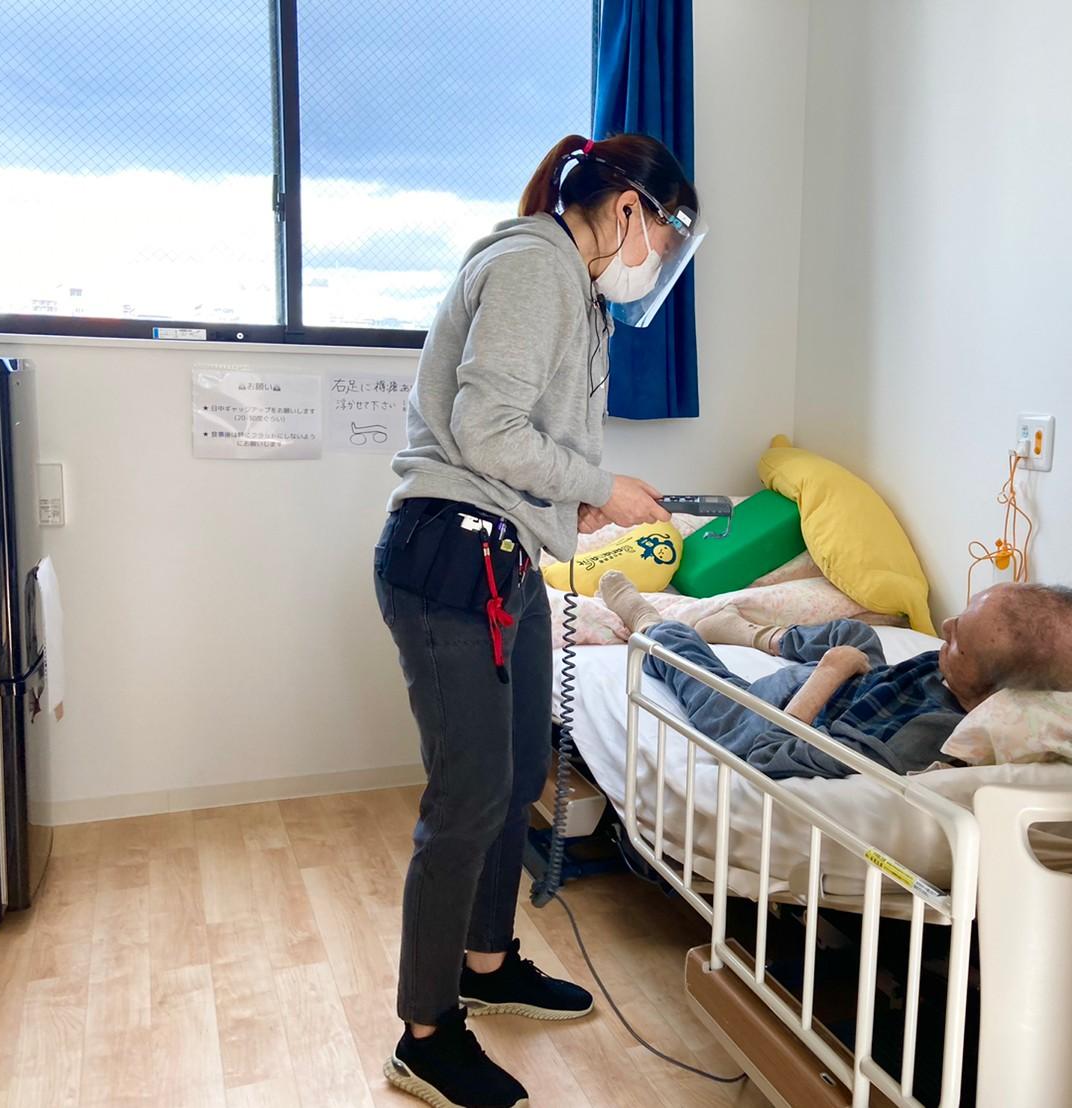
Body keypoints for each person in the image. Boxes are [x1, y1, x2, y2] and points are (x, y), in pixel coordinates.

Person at [373, 133, 701, 1108]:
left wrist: (575, 505)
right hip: (450, 557)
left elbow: (522, 452)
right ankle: (425, 1036)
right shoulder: (532, 266)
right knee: (468, 797)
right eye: (663, 239)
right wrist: (599, 484)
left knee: (517, 775)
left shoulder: (576, 291)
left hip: (503, 560)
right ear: (630, 209)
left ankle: (485, 962)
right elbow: (484, 431)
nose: (658, 262)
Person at [598, 574, 1072, 778]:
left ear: (988, 694)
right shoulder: (963, 682)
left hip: (784, 717)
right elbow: (891, 678)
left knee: (691, 663)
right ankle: (755, 635)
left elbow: (768, 757)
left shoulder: (920, 741)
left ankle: (648, 623)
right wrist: (846, 664)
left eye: (957, 643)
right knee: (856, 635)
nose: (944, 628)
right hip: (858, 690)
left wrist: (827, 674)